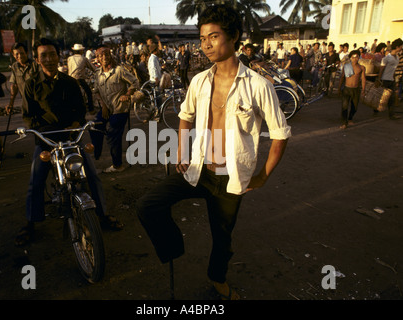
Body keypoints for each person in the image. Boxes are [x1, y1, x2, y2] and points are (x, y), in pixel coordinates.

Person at [136, 4, 290, 300]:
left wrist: (263, 176)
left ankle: (217, 280)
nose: (206, 44)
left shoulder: (258, 85)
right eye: (203, 37)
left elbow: (281, 133)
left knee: (222, 239)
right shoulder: (199, 81)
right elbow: (185, 115)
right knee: (148, 204)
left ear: (233, 38)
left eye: (214, 36)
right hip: (197, 170)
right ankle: (173, 249)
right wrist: (181, 151)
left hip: (230, 179)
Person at [15, 38, 123, 246]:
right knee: (36, 179)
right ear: (37, 60)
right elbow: (29, 118)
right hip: (46, 138)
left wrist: (74, 124)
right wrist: (41, 134)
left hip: (72, 135)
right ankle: (30, 222)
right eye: (43, 55)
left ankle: (102, 214)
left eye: (52, 54)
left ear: (58, 56)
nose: (48, 59)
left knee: (91, 174)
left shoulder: (70, 82)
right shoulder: (31, 85)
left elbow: (80, 110)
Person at [91, 46, 139, 173]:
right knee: (94, 128)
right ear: (97, 59)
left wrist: (127, 94)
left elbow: (135, 82)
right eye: (101, 56)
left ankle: (118, 165)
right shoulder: (98, 74)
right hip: (107, 108)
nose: (104, 57)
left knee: (113, 135)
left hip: (119, 109)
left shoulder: (119, 71)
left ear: (110, 56)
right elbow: (96, 91)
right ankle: (97, 154)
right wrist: (103, 105)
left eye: (106, 54)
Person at [5, 42, 40, 115]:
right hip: (25, 102)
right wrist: (11, 104)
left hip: (39, 101)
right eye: (16, 54)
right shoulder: (15, 66)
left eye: (22, 53)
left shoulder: (35, 65)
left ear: (27, 53)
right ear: (13, 55)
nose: (20, 56)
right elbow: (14, 86)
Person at [338, 50, 366, 129]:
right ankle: (344, 122)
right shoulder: (346, 66)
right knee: (344, 106)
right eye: (353, 57)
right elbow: (342, 77)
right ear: (350, 58)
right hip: (347, 88)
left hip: (356, 89)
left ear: (359, 58)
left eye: (356, 57)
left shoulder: (361, 68)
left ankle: (350, 118)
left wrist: (363, 89)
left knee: (355, 107)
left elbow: (363, 79)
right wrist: (339, 88)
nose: (355, 59)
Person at [378, 38, 403, 120]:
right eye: (401, 46)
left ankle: (391, 114)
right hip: (385, 79)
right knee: (382, 97)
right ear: (397, 47)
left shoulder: (397, 58)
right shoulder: (387, 58)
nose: (401, 48)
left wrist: (395, 80)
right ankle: (376, 109)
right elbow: (381, 69)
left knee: (391, 98)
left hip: (391, 79)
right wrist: (379, 79)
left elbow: (394, 70)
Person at [67, 43, 96, 112]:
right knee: (89, 92)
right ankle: (91, 109)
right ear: (80, 51)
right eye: (82, 50)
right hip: (80, 79)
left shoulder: (69, 58)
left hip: (70, 79)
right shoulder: (84, 58)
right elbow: (93, 68)